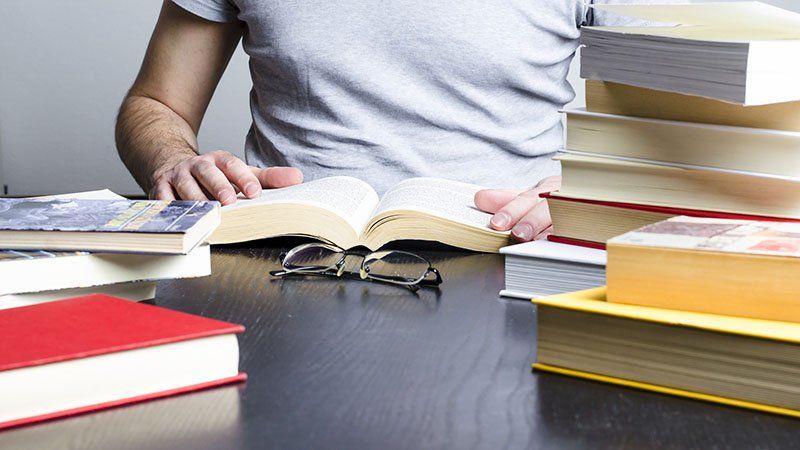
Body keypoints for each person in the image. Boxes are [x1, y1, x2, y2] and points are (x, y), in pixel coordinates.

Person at [116, 1, 642, 242]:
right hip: (283, 256)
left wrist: (591, 190)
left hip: (515, 250)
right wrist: (173, 159)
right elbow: (157, 103)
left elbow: (684, 129)